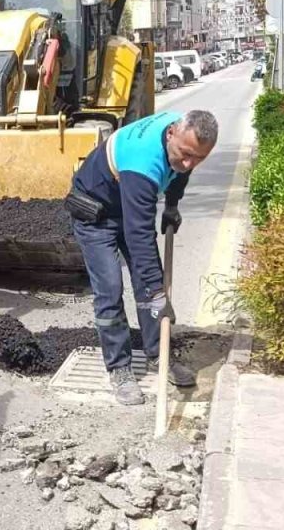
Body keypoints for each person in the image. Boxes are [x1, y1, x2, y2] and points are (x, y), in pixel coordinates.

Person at [65, 110, 218, 405]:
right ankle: (120, 369)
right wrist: (158, 293)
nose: (189, 163)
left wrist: (172, 205)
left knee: (150, 286)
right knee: (110, 290)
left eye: (198, 158)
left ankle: (157, 355)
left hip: (127, 205)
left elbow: (179, 174)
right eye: (185, 154)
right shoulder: (142, 163)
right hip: (94, 212)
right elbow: (139, 237)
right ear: (171, 132)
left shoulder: (185, 138)